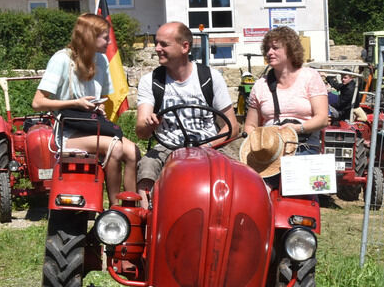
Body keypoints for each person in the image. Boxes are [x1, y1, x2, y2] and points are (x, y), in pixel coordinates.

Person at [33, 13, 139, 207]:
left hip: (92, 125)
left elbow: (102, 96)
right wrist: (76, 103)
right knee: (115, 147)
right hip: (68, 131)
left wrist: (97, 107)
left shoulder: (101, 60)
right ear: (90, 36)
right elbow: (38, 102)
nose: (109, 41)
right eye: (105, 37)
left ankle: (132, 207)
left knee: (132, 151)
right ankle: (115, 208)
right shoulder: (61, 60)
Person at [135, 21, 236, 206]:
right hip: (168, 146)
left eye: (164, 44)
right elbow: (141, 132)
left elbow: (232, 127)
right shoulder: (151, 81)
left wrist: (209, 146)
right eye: (157, 43)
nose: (157, 49)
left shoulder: (210, 78)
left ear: (185, 47)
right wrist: (149, 124)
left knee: (239, 173)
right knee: (147, 166)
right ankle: (147, 220)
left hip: (209, 145)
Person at [244, 26, 329, 154]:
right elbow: (250, 126)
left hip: (304, 148)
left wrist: (297, 129)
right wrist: (258, 146)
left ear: (290, 50)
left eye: (275, 48)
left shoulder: (310, 77)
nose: (269, 53)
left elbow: (322, 119)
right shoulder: (260, 85)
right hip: (270, 153)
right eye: (267, 49)